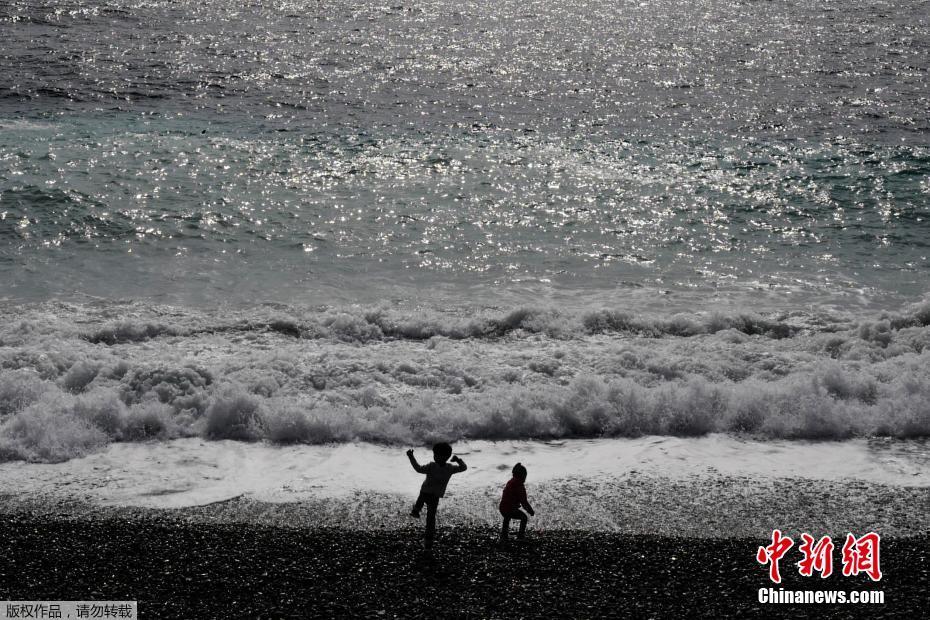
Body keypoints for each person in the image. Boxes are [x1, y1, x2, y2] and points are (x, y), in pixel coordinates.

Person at [406, 443, 467, 548]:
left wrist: (411, 457)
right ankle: (428, 538)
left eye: (435, 455)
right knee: (431, 517)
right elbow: (463, 468)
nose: (434, 457)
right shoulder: (450, 468)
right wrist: (458, 460)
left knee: (422, 501)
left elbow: (418, 469)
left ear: (441, 456)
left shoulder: (432, 466)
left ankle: (416, 510)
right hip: (435, 496)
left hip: (425, 492)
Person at [499, 462, 535, 542]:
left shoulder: (510, 482)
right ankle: (520, 536)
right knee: (524, 518)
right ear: (522, 476)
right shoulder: (519, 486)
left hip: (502, 507)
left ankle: (504, 535)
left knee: (507, 518)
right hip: (510, 508)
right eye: (525, 475)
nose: (525, 478)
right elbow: (524, 502)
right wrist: (530, 511)